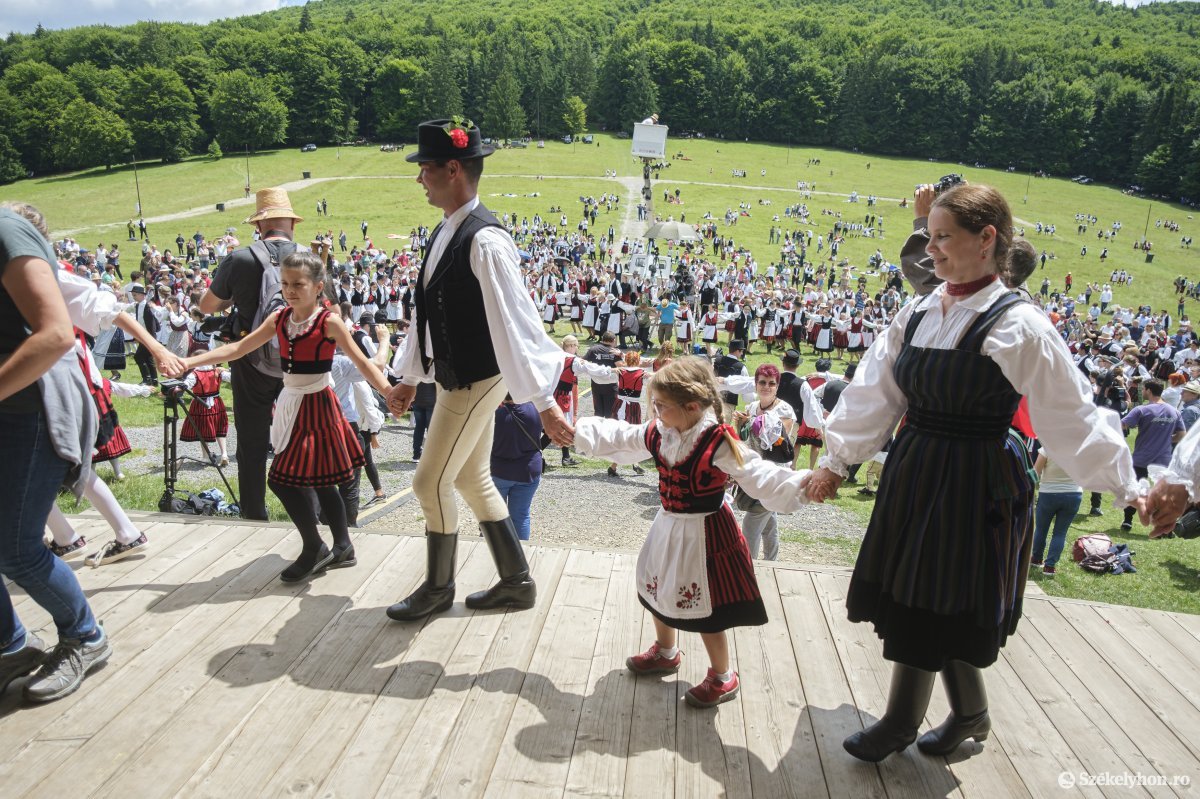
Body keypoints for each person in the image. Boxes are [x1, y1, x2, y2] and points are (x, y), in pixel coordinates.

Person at [805, 185, 1141, 763]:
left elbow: (1072, 418)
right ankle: (969, 713)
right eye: (929, 236)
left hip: (976, 476)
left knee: (940, 594)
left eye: (942, 238)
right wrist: (837, 462)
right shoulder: (919, 309)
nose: (929, 251)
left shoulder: (1020, 326)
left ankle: (901, 721)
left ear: (987, 240)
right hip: (918, 467)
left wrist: (1131, 489)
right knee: (931, 592)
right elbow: (875, 392)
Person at [384, 119, 573, 622]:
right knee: (469, 478)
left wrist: (545, 403)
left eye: (425, 167)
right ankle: (516, 581)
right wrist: (409, 374)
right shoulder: (448, 228)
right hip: (457, 374)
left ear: (453, 169)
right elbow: (430, 312)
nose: (419, 177)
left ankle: (438, 588)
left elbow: (516, 325)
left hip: (473, 379)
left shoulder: (485, 241)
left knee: (428, 484)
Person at [574, 357, 812, 708]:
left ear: (691, 407)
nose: (654, 411)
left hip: (706, 533)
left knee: (705, 606)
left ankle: (722, 676)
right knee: (657, 585)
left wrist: (806, 485)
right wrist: (578, 430)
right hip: (669, 525)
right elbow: (623, 437)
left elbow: (759, 474)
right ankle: (666, 652)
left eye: (660, 405)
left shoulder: (716, 441)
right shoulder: (661, 430)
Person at [174, 250, 394, 582]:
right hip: (292, 401)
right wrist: (190, 362)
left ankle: (315, 546)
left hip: (318, 404)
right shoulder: (279, 319)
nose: (290, 290)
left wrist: (390, 393)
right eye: (285, 284)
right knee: (318, 481)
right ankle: (342, 545)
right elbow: (238, 349)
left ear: (318, 287)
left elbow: (364, 364)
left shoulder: (328, 322)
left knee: (282, 479)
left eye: (298, 284)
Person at [0, 202, 109, 703]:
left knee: (17, 548)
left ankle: (86, 636)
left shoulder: (6, 232)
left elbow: (56, 333)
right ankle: (10, 648)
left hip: (30, 411)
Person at [198, 188, 301, 520]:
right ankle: (310, 513)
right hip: (298, 362)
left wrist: (238, 298)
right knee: (302, 437)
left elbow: (206, 306)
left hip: (249, 357)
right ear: (291, 224)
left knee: (252, 442)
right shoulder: (309, 259)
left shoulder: (240, 258)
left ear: (260, 226)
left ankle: (254, 515)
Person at [731, 364, 796, 560]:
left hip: (772, 477)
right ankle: (772, 563)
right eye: (762, 382)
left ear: (777, 386)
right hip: (754, 473)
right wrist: (741, 423)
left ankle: (748, 569)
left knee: (751, 526)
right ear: (756, 384)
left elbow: (775, 439)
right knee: (769, 525)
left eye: (771, 383)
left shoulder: (784, 409)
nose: (766, 387)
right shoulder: (751, 407)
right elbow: (745, 440)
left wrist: (750, 422)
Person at [1119, 380, 1184, 531]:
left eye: (1143, 389)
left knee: (1134, 490)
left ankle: (1127, 521)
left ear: (1148, 390)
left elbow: (1122, 424)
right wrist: (1167, 440)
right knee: (1162, 495)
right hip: (1163, 460)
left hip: (1141, 458)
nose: (1142, 392)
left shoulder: (1142, 410)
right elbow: (1181, 434)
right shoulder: (1174, 411)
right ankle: (1163, 526)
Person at [554, 335, 615, 467]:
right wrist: (610, 370)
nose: (576, 348)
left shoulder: (557, 356)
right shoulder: (573, 360)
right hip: (563, 394)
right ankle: (539, 450)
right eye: (576, 346)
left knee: (564, 423)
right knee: (562, 424)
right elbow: (590, 368)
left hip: (555, 392)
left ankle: (565, 456)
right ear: (571, 346)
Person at [491, 396, 545, 540]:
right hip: (528, 469)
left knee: (492, 516)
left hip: (499, 470)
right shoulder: (535, 409)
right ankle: (522, 553)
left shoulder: (495, 414)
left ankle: (489, 551)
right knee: (521, 515)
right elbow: (549, 434)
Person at [1029, 451, 1081, 577]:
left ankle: (1036, 559)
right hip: (1073, 494)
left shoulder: (1047, 447)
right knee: (1060, 533)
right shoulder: (1082, 449)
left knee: (1041, 529)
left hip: (1048, 493)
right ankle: (1050, 566)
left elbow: (1035, 472)